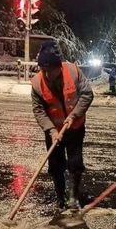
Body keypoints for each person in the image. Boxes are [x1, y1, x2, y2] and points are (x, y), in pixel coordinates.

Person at [31, 39, 94, 209]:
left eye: (50, 70)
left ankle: (73, 196)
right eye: (43, 70)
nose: (47, 74)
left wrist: (74, 115)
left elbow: (87, 94)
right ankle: (60, 196)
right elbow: (38, 110)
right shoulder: (37, 83)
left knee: (75, 163)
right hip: (53, 131)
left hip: (74, 128)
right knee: (56, 165)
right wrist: (51, 130)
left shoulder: (73, 72)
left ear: (59, 66)